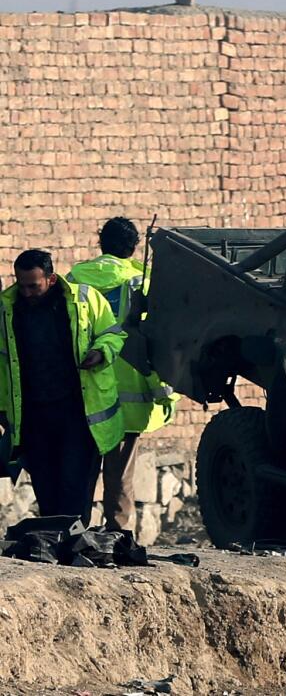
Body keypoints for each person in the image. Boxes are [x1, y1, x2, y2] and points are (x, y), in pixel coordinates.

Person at [0, 249, 126, 522]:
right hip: (34, 415)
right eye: (21, 286)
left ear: (52, 279)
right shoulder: (7, 309)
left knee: (75, 484)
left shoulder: (86, 300)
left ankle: (73, 542)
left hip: (78, 413)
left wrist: (101, 352)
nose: (27, 293)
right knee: (45, 485)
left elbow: (113, 335)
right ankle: (53, 543)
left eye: (33, 286)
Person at [69, 217, 177, 532]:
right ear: (133, 248)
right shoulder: (143, 282)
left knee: (82, 466)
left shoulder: (75, 279)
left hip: (86, 387)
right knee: (120, 473)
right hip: (130, 393)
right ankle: (116, 533)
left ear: (101, 242)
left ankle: (75, 529)